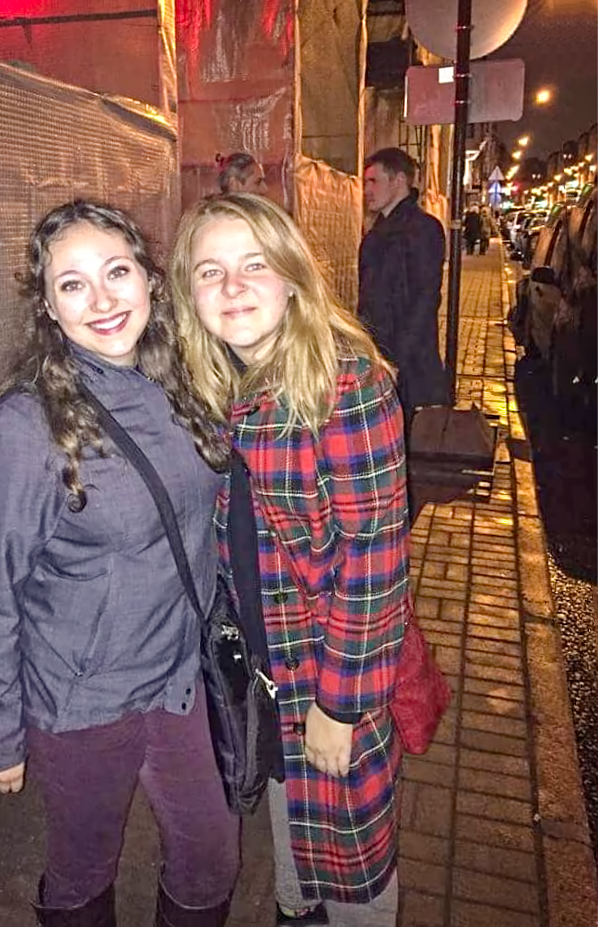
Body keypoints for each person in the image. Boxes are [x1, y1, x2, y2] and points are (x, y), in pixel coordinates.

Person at [0, 200, 239, 927]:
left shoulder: (183, 383)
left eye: (117, 271)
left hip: (177, 681)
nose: (104, 299)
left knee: (210, 857)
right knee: (82, 867)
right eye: (73, 284)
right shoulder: (22, 428)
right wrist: (0, 735)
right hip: (83, 702)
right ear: (49, 309)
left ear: (150, 277)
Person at [170, 193, 411, 927]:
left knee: (351, 859)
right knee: (291, 829)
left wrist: (341, 703)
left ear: (293, 277)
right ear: (189, 295)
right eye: (210, 271)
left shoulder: (343, 385)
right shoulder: (215, 385)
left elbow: (375, 557)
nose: (233, 286)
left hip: (328, 665)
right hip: (267, 669)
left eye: (254, 265)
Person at [358, 147, 449, 420]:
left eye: (373, 181)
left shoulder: (422, 229)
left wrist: (397, 359)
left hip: (407, 363)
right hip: (378, 353)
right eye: (365, 182)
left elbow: (425, 298)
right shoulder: (378, 230)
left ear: (398, 180)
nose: (366, 190)